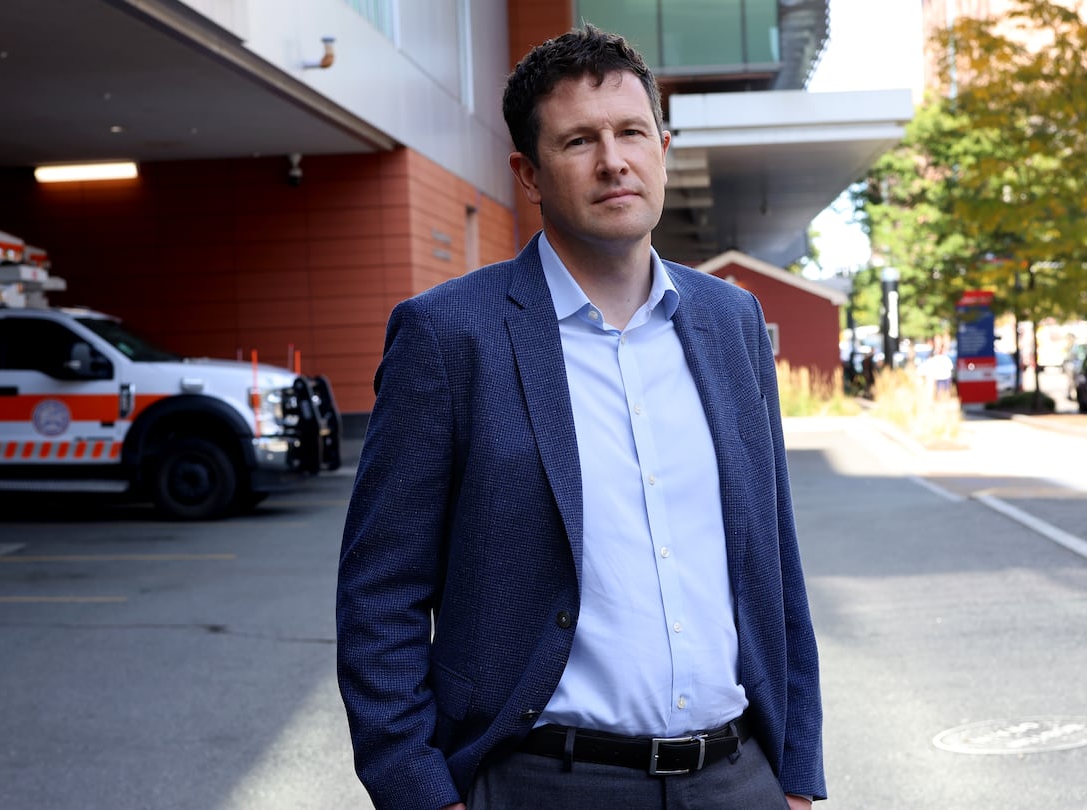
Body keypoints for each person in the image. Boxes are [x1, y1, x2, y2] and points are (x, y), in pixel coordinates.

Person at [336, 25, 825, 810]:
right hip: (542, 781)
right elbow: (379, 593)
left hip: (739, 779)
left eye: (632, 132)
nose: (613, 161)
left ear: (662, 145)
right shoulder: (449, 335)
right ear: (528, 173)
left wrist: (796, 776)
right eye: (578, 141)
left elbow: (775, 561)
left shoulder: (732, 322)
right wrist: (421, 794)